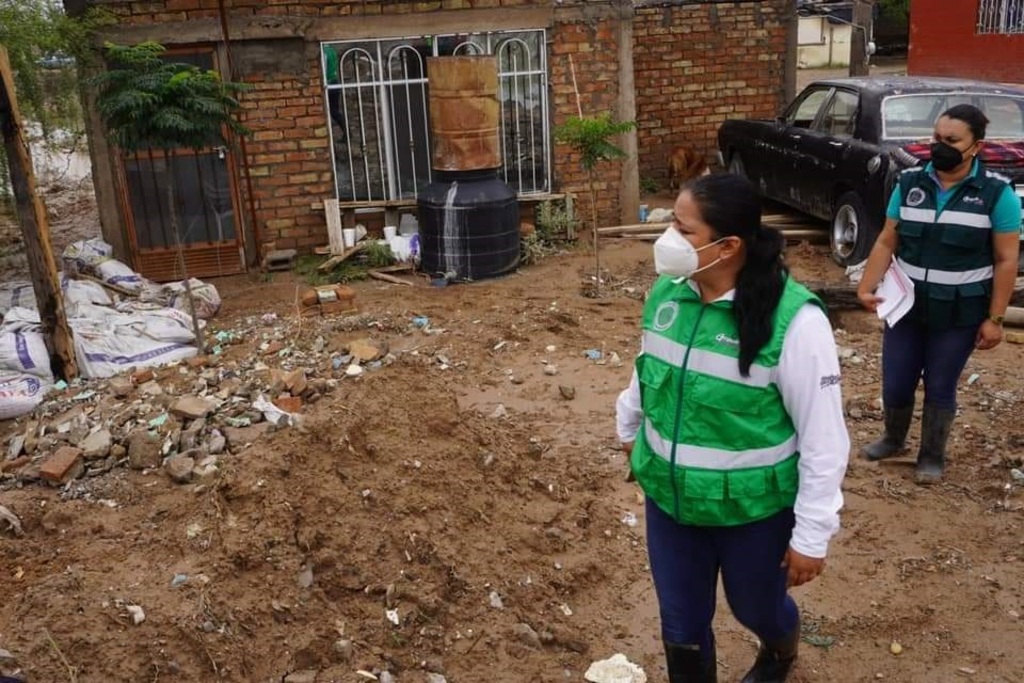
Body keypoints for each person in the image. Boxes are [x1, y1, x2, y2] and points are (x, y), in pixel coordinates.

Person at [616, 173, 850, 682]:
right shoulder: (668, 294)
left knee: (756, 609)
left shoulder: (795, 323)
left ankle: (780, 649)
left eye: (684, 230)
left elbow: (823, 439)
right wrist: (631, 430)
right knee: (680, 625)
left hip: (752, 513)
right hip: (672, 501)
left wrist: (812, 534)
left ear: (729, 246)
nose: (668, 240)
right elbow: (649, 365)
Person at [856, 104, 1021, 484]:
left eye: (951, 141)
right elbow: (886, 239)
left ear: (975, 146)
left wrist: (995, 319)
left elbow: (1006, 260)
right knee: (896, 379)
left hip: (959, 312)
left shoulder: (996, 194)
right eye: (936, 138)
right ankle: (893, 438)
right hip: (907, 306)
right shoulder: (910, 182)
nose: (940, 147)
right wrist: (866, 285)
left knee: (940, 384)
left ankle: (932, 454)